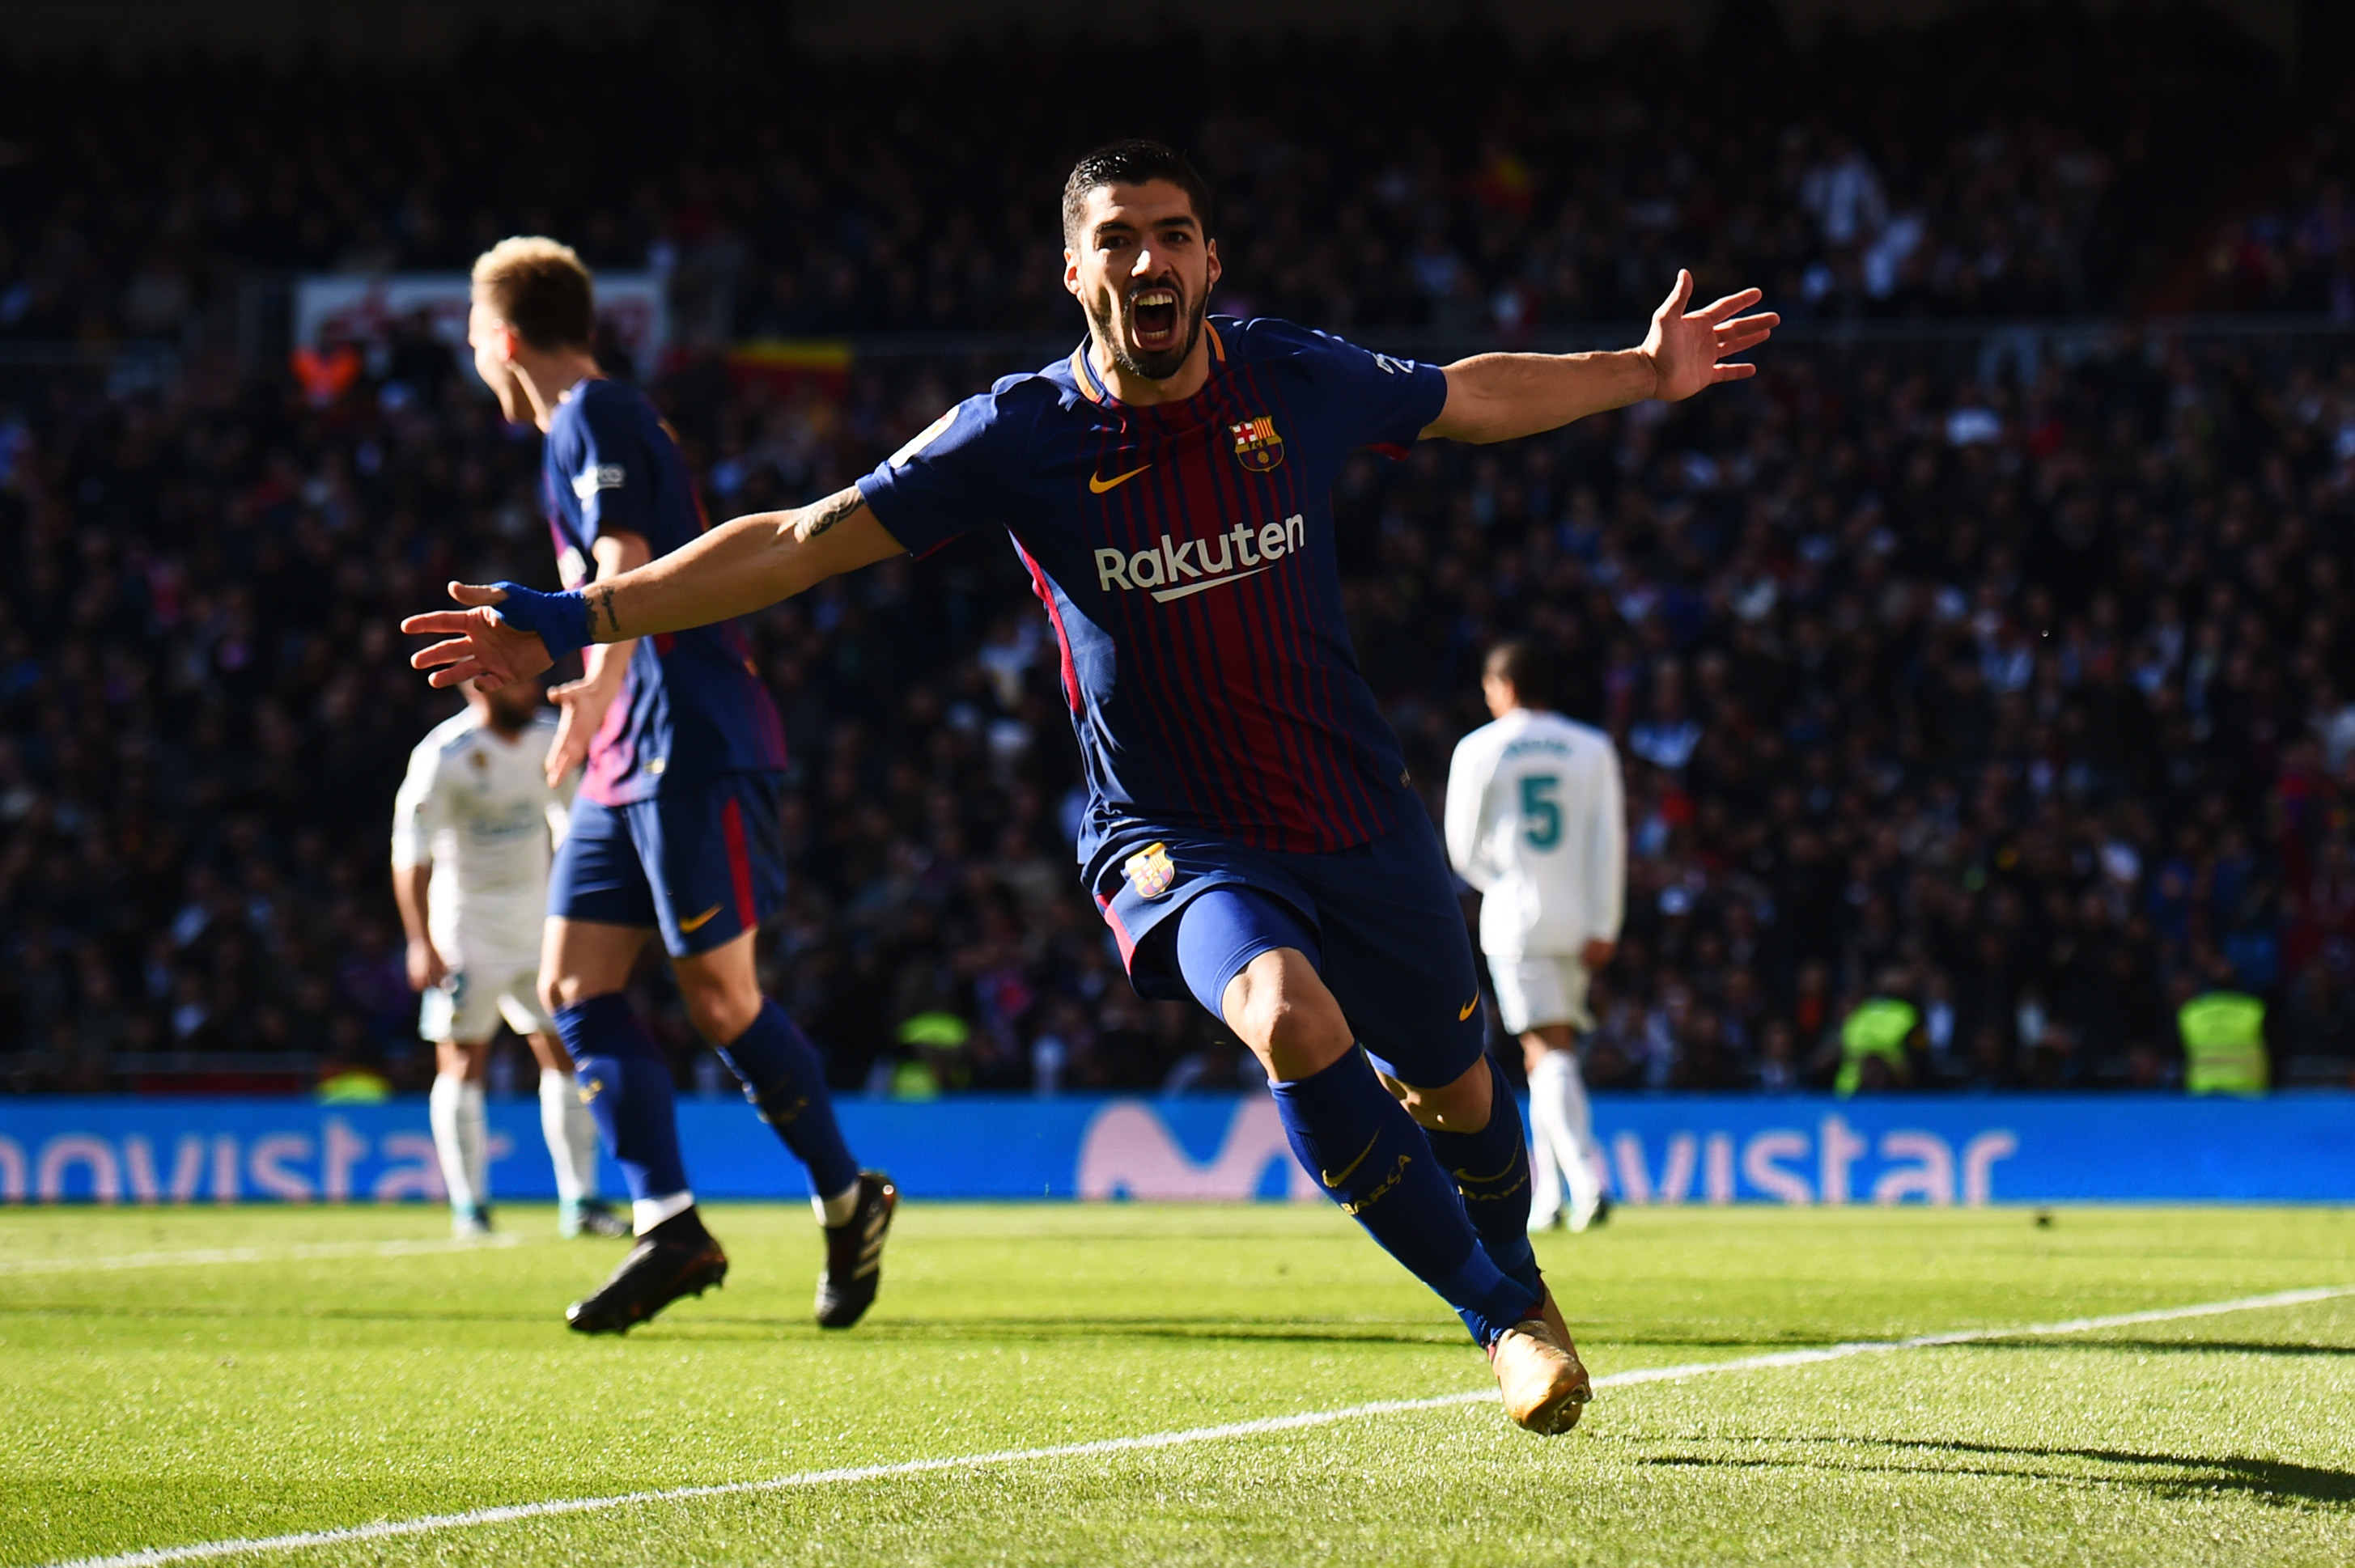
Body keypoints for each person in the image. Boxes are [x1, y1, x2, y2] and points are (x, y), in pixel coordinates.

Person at [408, 146, 1774, 1430]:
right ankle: (1496, 1317)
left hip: (1357, 812)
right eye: (1115, 239)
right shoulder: (1022, 431)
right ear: (1077, 275)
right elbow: (799, 540)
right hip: (1175, 836)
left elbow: (1471, 395)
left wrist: (1643, 374)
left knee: (1463, 1087)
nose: (1146, 257)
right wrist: (581, 614)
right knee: (1285, 1014)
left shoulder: (1292, 377)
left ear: (1210, 262)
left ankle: (1517, 1269)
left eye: (1171, 233)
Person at [457, 237, 895, 1334]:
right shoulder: (577, 426)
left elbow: (622, 562)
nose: (471, 356)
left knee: (719, 998)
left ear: (503, 337)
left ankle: (849, 1199)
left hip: (683, 732)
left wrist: (596, 686)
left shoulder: (594, 415)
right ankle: (669, 1224)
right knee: (575, 986)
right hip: (623, 749)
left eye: (472, 336)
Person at [391, 675, 627, 1240]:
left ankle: (581, 1201)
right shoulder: (443, 757)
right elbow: (412, 855)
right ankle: (470, 1209)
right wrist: (421, 941)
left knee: (563, 1054)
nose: (534, 690)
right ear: (481, 688)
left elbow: (576, 830)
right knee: (463, 1059)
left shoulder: (552, 739)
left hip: (540, 927)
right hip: (465, 930)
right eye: (519, 683)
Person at [1443, 640, 1624, 1235]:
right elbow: (1609, 842)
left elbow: (1462, 850)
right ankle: (1549, 1198)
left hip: (1516, 917)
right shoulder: (1592, 747)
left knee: (1546, 1051)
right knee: (1548, 1049)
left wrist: (1507, 881)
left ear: (1506, 687)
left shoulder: (1479, 748)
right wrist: (1605, 923)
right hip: (1581, 918)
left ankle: (1587, 1183)